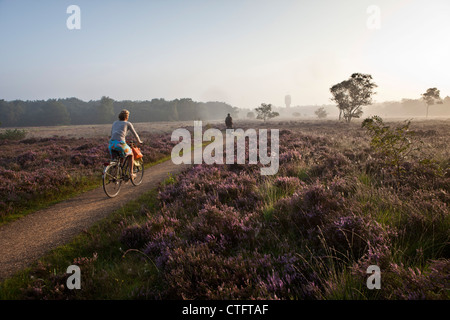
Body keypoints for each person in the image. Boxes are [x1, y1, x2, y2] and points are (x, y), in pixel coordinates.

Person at [109, 109, 143, 180]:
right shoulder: (128, 123)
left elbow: (112, 133)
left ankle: (116, 174)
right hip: (121, 144)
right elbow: (135, 135)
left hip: (111, 144)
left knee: (118, 158)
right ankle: (131, 174)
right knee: (131, 155)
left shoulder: (115, 123)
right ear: (127, 117)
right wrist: (139, 141)